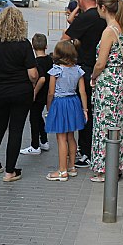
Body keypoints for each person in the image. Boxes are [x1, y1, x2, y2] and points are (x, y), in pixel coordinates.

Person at [0, 7, 38, 182]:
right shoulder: (23, 44)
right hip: (20, 92)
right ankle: (10, 171)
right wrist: (33, 85)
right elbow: (33, 74)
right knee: (16, 130)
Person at [61, 0, 106, 168]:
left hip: (87, 69)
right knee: (96, 112)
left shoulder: (86, 17)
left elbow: (64, 40)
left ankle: (86, 151)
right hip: (102, 69)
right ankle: (95, 149)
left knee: (85, 112)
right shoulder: (103, 17)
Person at [89, 0, 123, 182]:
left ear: (103, 7)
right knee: (118, 123)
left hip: (108, 82)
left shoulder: (109, 31)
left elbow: (100, 63)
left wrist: (93, 76)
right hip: (121, 79)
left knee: (104, 124)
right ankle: (117, 165)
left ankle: (104, 168)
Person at [44, 40, 88, 181]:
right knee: (71, 136)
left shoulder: (56, 70)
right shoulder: (78, 70)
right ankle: (72, 167)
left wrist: (49, 107)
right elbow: (82, 92)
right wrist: (85, 109)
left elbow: (51, 92)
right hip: (74, 102)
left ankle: (62, 171)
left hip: (60, 103)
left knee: (61, 137)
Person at [20, 33, 52, 155]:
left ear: (32, 47)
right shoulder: (49, 59)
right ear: (46, 46)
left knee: (33, 118)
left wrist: (34, 92)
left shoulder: (36, 62)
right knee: (38, 116)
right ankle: (44, 140)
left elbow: (42, 78)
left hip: (38, 94)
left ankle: (35, 145)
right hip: (47, 92)